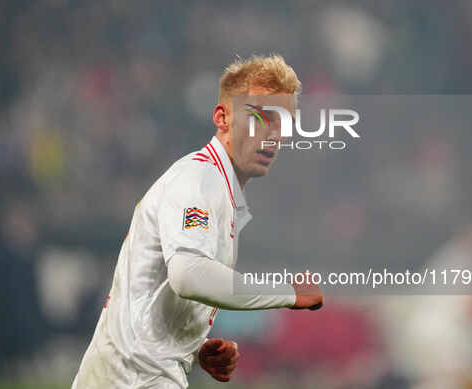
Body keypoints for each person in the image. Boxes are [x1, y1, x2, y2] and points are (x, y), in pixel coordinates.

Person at [72, 54, 324, 389]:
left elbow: (156, 293)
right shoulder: (200, 179)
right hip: (133, 380)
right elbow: (189, 275)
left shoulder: (216, 188)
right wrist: (288, 293)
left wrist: (192, 346)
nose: (272, 134)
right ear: (222, 117)